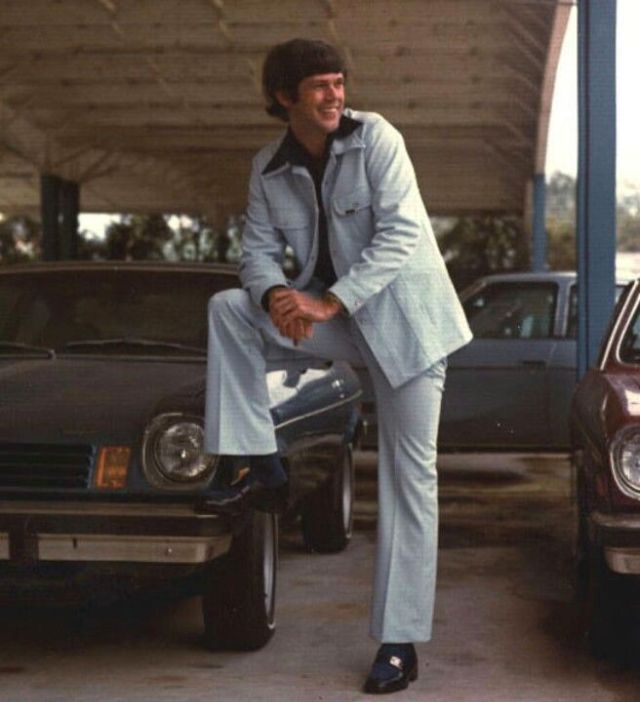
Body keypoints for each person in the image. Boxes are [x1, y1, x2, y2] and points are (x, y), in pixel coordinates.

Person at [202, 38, 472, 695]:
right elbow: (257, 252)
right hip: (338, 322)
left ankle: (399, 644)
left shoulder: (377, 138)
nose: (335, 95)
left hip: (408, 329)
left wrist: (327, 301)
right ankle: (261, 463)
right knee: (230, 308)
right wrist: (276, 294)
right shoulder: (267, 166)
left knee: (409, 481)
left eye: (339, 82)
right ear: (284, 97)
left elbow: (402, 234)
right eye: (320, 85)